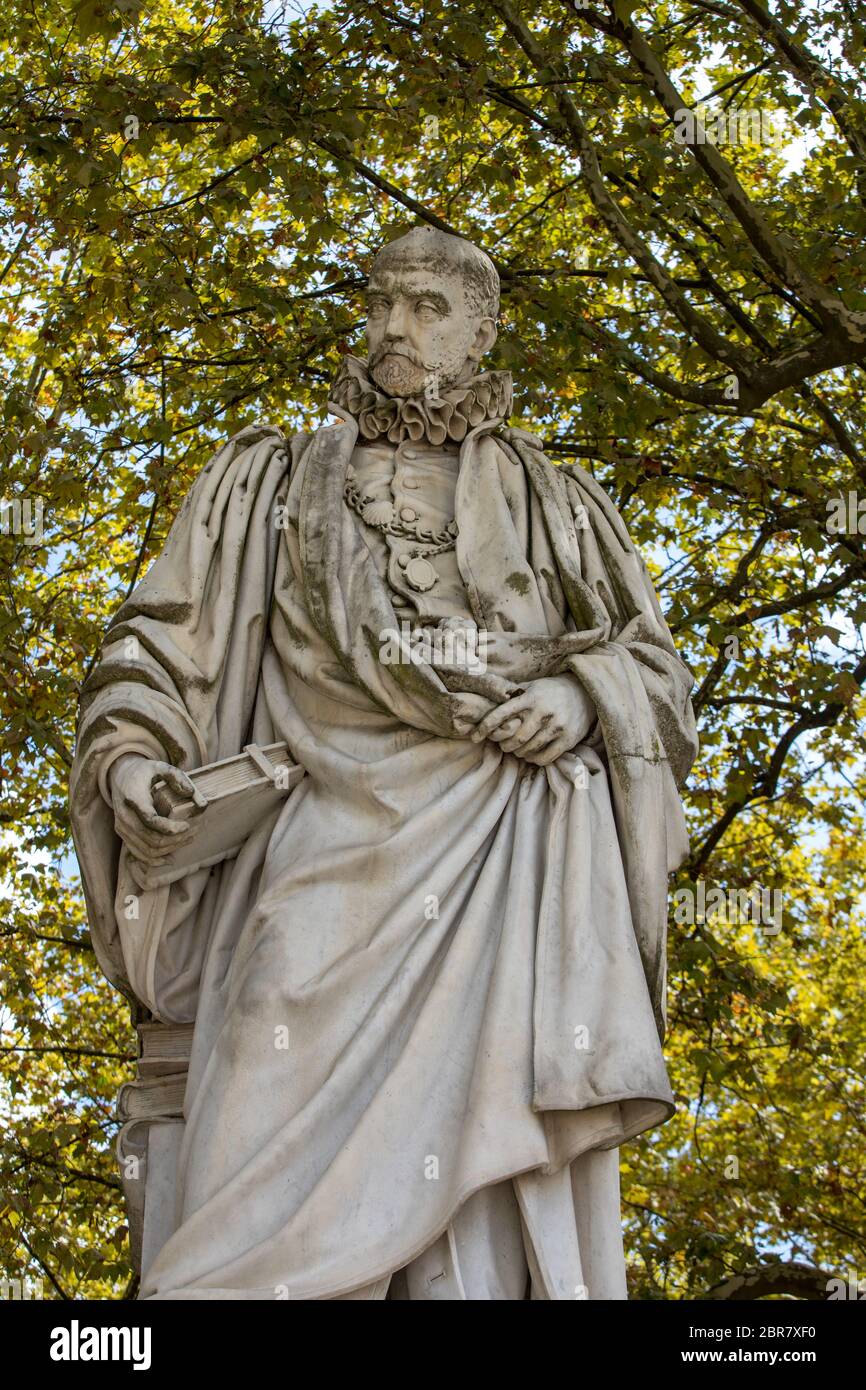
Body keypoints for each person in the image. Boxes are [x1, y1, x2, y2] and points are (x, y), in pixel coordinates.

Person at [70, 225, 698, 1299]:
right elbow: (157, 643)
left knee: (478, 1193)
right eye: (381, 303)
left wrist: (578, 693)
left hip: (505, 852)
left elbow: (653, 672)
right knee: (250, 1113)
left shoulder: (559, 504)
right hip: (316, 846)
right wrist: (131, 758)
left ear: (483, 329)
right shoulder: (262, 484)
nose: (396, 328)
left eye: (428, 307)